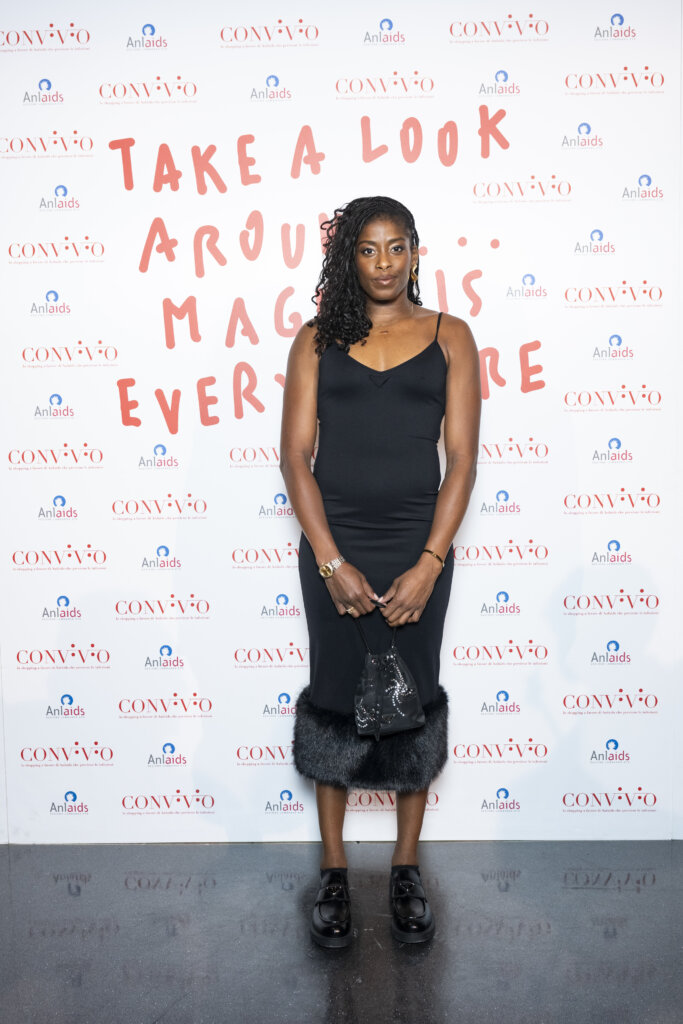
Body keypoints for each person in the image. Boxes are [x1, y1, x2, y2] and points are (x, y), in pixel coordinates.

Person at [280, 196, 480, 948]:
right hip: (334, 545)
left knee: (415, 699)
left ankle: (405, 868)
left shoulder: (451, 336)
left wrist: (431, 563)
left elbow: (461, 458)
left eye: (397, 247)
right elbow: (294, 458)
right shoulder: (315, 340)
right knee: (334, 696)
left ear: (416, 253)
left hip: (417, 546)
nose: (384, 262)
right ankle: (333, 870)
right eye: (368, 249)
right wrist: (330, 561)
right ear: (349, 259)